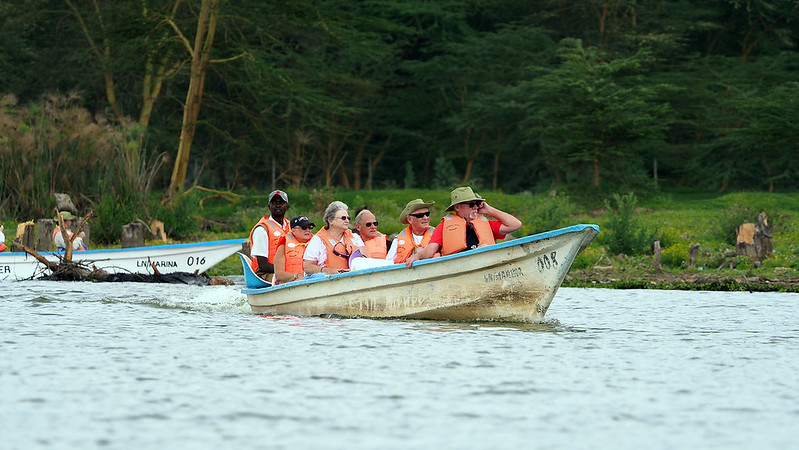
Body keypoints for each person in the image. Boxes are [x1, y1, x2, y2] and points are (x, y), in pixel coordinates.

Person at [405, 186, 521, 267]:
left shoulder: (487, 223)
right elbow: (429, 252)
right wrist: (417, 256)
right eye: (471, 204)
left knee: (484, 246)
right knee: (483, 247)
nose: (475, 207)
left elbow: (516, 225)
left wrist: (489, 210)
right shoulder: (443, 227)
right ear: (457, 207)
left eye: (477, 204)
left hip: (487, 264)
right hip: (459, 266)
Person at [303, 201, 367, 275]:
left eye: (348, 218)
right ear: (330, 221)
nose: (347, 220)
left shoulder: (355, 237)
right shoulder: (318, 240)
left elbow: (365, 259)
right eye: (343, 218)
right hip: (328, 281)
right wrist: (327, 271)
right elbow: (308, 267)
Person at [247, 190, 290, 281]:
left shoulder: (291, 227)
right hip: (265, 274)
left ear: (287, 207)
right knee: (295, 278)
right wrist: (289, 271)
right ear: (269, 207)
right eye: (274, 203)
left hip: (287, 271)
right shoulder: (262, 230)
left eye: (281, 202)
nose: (277, 205)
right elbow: (263, 265)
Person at [386, 198, 438, 264]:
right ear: (410, 219)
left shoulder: (438, 234)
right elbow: (388, 263)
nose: (426, 218)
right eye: (420, 215)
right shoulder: (398, 239)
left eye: (427, 214)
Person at [273, 216, 315, 284]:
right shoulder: (284, 244)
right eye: (304, 227)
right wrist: (297, 276)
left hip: (312, 282)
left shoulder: (316, 242)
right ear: (293, 230)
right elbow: (279, 275)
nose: (308, 230)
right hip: (290, 285)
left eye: (310, 227)